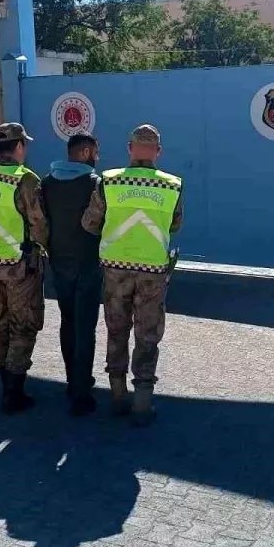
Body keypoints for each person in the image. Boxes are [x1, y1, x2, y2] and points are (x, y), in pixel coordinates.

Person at [82, 124, 183, 426]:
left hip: (115, 269)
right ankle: (142, 404)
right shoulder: (173, 185)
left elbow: (90, 223)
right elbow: (175, 224)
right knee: (147, 334)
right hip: (152, 270)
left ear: (129, 148)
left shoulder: (109, 181)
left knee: (116, 329)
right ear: (158, 151)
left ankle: (117, 396)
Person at [0, 122, 49, 414]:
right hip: (19, 265)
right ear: (19, 147)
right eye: (25, 144)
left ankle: (6, 383)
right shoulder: (25, 179)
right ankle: (14, 393)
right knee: (23, 325)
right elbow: (38, 223)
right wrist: (46, 248)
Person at [40, 132, 103, 416]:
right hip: (88, 264)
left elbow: (41, 225)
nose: (97, 158)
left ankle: (71, 381)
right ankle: (81, 392)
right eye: (95, 153)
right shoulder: (95, 184)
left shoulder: (47, 183)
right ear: (86, 153)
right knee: (85, 326)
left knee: (67, 321)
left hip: (59, 263)